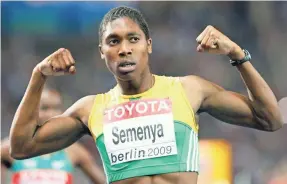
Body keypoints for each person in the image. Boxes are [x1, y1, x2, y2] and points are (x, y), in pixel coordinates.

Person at [9, 6, 283, 184]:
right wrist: (38, 76)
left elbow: (270, 119)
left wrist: (237, 55)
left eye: (133, 39)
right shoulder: (91, 109)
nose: (124, 48)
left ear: (148, 45)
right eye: (113, 41)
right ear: (102, 52)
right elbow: (21, 147)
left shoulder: (188, 89)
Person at [3, 88, 106, 184]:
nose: (51, 114)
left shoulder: (74, 151)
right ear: (31, 111)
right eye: (44, 108)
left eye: (56, 108)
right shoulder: (9, 148)